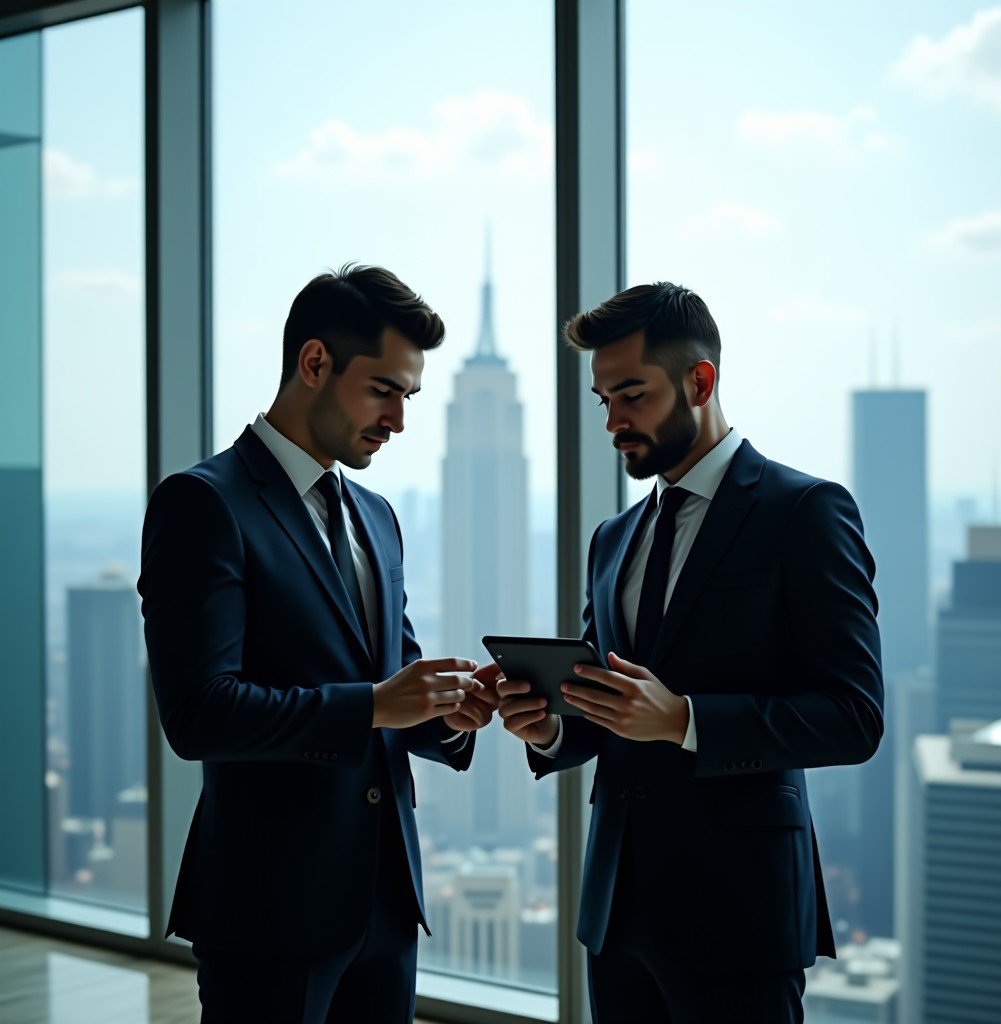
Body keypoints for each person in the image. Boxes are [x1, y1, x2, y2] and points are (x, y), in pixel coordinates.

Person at [497, 283, 884, 1024]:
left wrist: (685, 721)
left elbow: (854, 717)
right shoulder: (614, 539)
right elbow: (607, 715)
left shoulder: (804, 512)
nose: (613, 421)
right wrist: (545, 725)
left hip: (741, 918)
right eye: (603, 399)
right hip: (617, 914)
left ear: (699, 381)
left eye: (632, 395)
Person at [138, 265, 498, 1024]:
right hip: (269, 913)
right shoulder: (205, 504)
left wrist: (450, 711)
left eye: (409, 396)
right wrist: (372, 705)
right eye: (383, 390)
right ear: (314, 364)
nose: (398, 419)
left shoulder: (378, 517)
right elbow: (199, 714)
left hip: (387, 909)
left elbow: (389, 683)